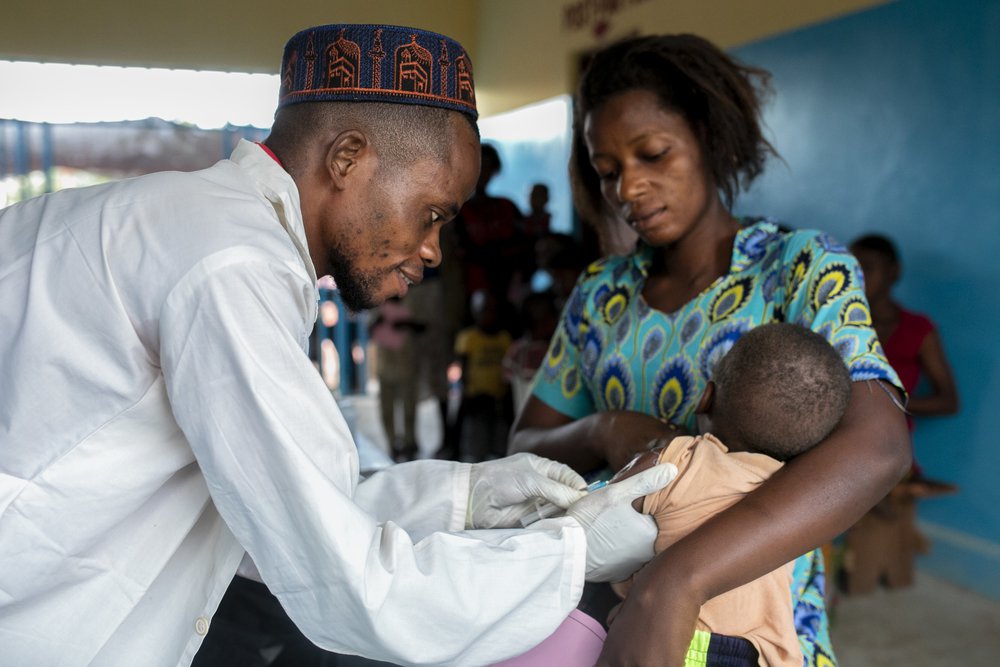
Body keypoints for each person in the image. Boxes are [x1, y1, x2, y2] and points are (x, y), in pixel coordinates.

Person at [0, 24, 677, 667]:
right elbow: (342, 581)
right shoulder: (229, 263)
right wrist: (568, 553)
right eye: (432, 214)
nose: (433, 250)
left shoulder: (187, 223)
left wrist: (470, 496)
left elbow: (283, 503)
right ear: (348, 158)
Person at [508, 33, 911, 666]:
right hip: (594, 618)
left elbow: (878, 447)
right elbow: (524, 446)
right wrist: (603, 428)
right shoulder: (600, 292)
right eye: (608, 171)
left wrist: (675, 582)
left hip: (752, 634)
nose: (628, 188)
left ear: (707, 137)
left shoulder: (801, 268)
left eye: (653, 154)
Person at [454, 289, 514, 462]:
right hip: (476, 401)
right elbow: (463, 368)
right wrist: (465, 396)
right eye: (484, 310)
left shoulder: (504, 338)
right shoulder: (468, 338)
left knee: (499, 444)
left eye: (493, 310)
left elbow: (508, 370)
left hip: (498, 401)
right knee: (475, 446)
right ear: (475, 312)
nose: (489, 315)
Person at [369, 294, 425, 462]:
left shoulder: (412, 302)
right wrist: (378, 321)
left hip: (406, 364)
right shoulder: (377, 304)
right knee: (387, 409)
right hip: (385, 366)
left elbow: (425, 326)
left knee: (409, 407)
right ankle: (393, 444)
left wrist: (407, 323)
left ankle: (409, 442)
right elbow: (369, 330)